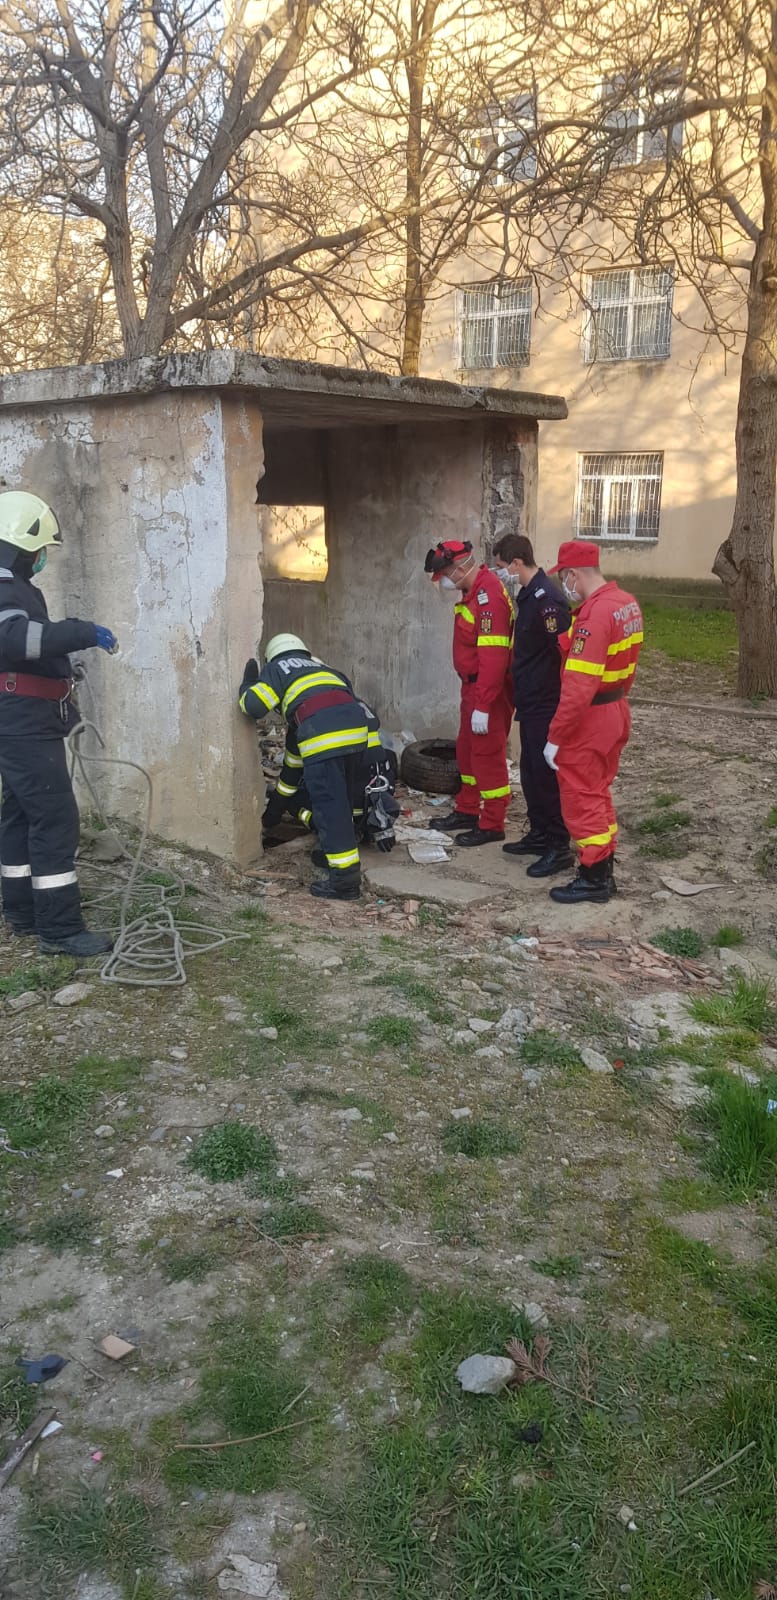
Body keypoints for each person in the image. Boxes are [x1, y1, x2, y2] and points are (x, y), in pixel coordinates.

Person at [0, 490, 117, 955]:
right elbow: (13, 638)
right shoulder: (5, 586)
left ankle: (23, 913)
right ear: (21, 544)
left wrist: (63, 663)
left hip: (23, 719)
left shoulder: (14, 585)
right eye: (40, 549)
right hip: (23, 721)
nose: (42, 558)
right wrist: (80, 632)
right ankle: (60, 929)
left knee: (21, 813)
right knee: (54, 816)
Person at [543, 540, 643, 904]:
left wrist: (556, 736)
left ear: (573, 574)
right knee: (598, 792)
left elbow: (578, 686)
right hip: (614, 708)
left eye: (563, 577)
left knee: (581, 797)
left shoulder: (595, 615)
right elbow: (627, 667)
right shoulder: (626, 603)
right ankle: (603, 869)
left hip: (590, 719)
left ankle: (593, 878)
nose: (563, 585)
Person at [238, 633, 370, 900]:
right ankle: (335, 854)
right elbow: (292, 769)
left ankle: (345, 882)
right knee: (343, 800)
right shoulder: (327, 670)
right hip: (358, 733)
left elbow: (254, 706)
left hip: (322, 732)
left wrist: (248, 684)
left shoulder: (278, 668)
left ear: (272, 656)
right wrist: (274, 813)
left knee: (329, 807)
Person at [492, 532, 572, 877]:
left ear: (516, 563)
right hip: (529, 698)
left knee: (545, 775)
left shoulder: (547, 599)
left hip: (545, 699)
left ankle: (558, 844)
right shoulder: (527, 595)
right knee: (530, 771)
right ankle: (539, 833)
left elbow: (562, 651)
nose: (500, 573)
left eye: (501, 566)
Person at [424, 539, 513, 845]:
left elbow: (494, 657)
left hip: (487, 689)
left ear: (460, 569)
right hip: (472, 687)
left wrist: (484, 705)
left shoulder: (489, 597)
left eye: (444, 574)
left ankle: (493, 823)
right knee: (466, 750)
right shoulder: (472, 591)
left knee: (487, 755)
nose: (442, 582)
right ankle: (468, 809)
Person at [262, 694, 399, 854]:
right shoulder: (359, 706)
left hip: (344, 814)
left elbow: (290, 779)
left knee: (292, 798)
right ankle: (363, 827)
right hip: (377, 804)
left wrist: (271, 817)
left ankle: (328, 828)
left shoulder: (306, 716)